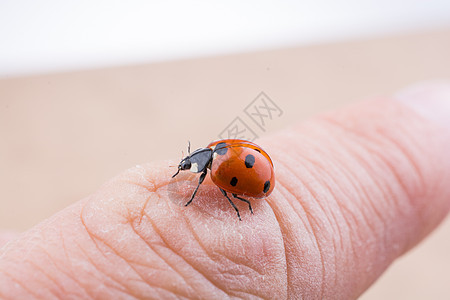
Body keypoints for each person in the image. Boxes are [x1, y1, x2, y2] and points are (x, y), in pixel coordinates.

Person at [0, 82, 449, 299]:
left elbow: (226, 180)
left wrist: (218, 199)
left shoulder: (216, 166)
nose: (190, 170)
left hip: (259, 180)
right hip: (256, 172)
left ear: (199, 163)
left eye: (190, 167)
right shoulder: (216, 157)